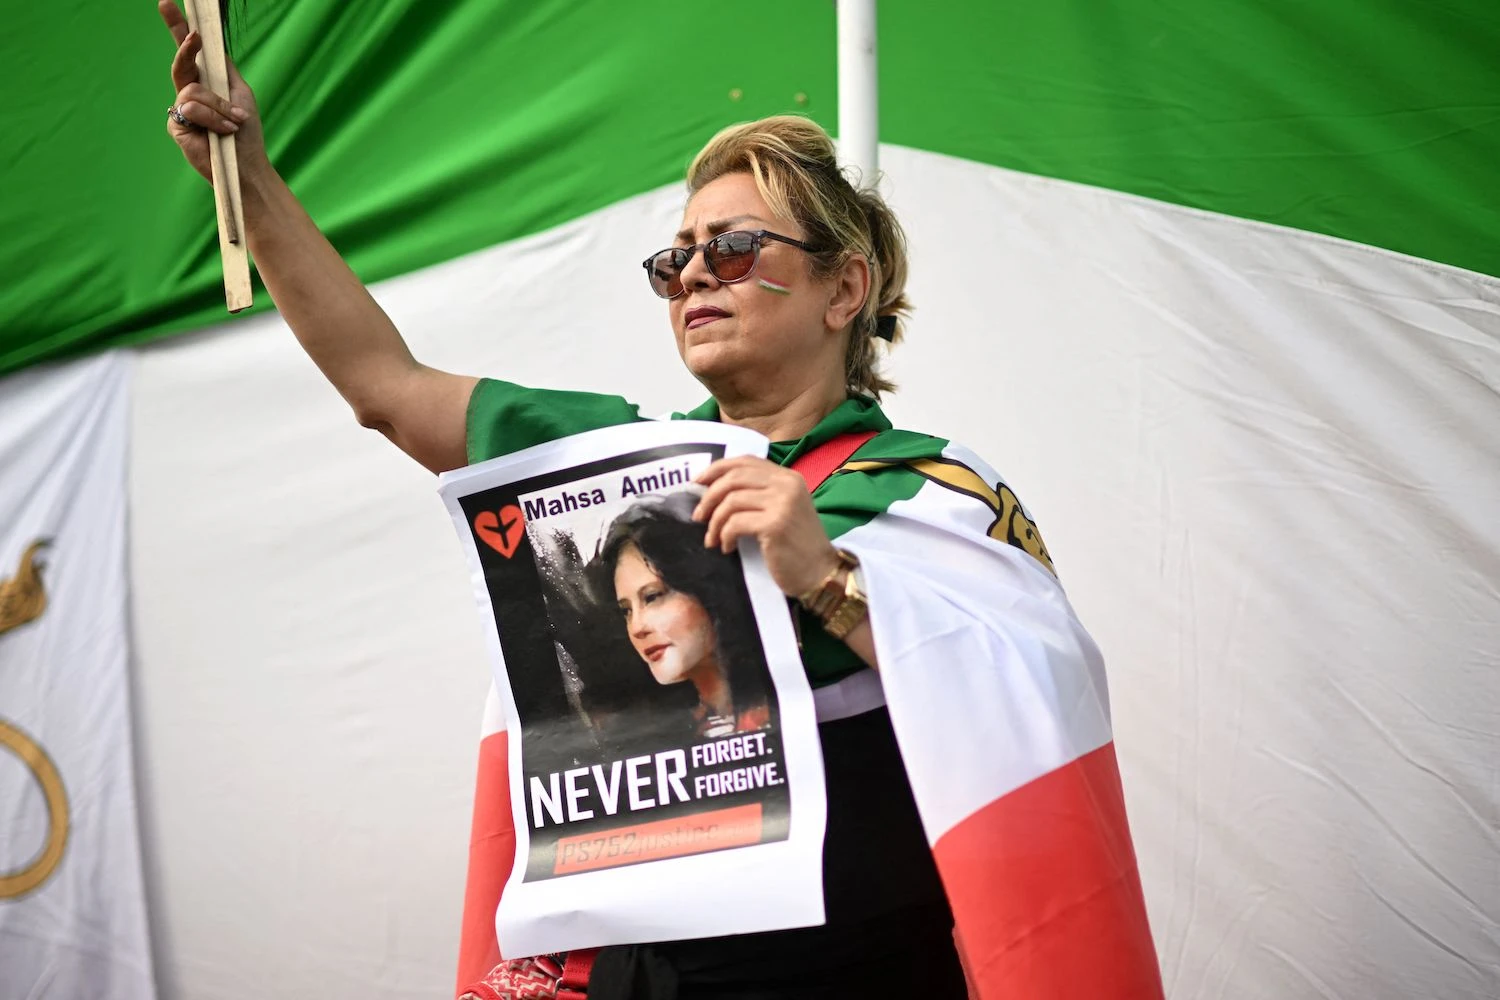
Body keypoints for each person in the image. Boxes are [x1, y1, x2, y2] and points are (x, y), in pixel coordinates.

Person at [159, 4, 1163, 998]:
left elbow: (1032, 714)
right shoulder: (613, 469)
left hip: (858, 970)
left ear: (844, 288)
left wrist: (829, 580)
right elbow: (384, 386)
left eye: (733, 249)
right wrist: (247, 170)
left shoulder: (933, 490)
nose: (693, 276)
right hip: (635, 977)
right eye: (674, 258)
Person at [598, 492, 772, 739]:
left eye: (653, 596)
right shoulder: (656, 736)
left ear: (707, 591)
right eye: (626, 611)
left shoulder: (778, 704)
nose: (637, 627)